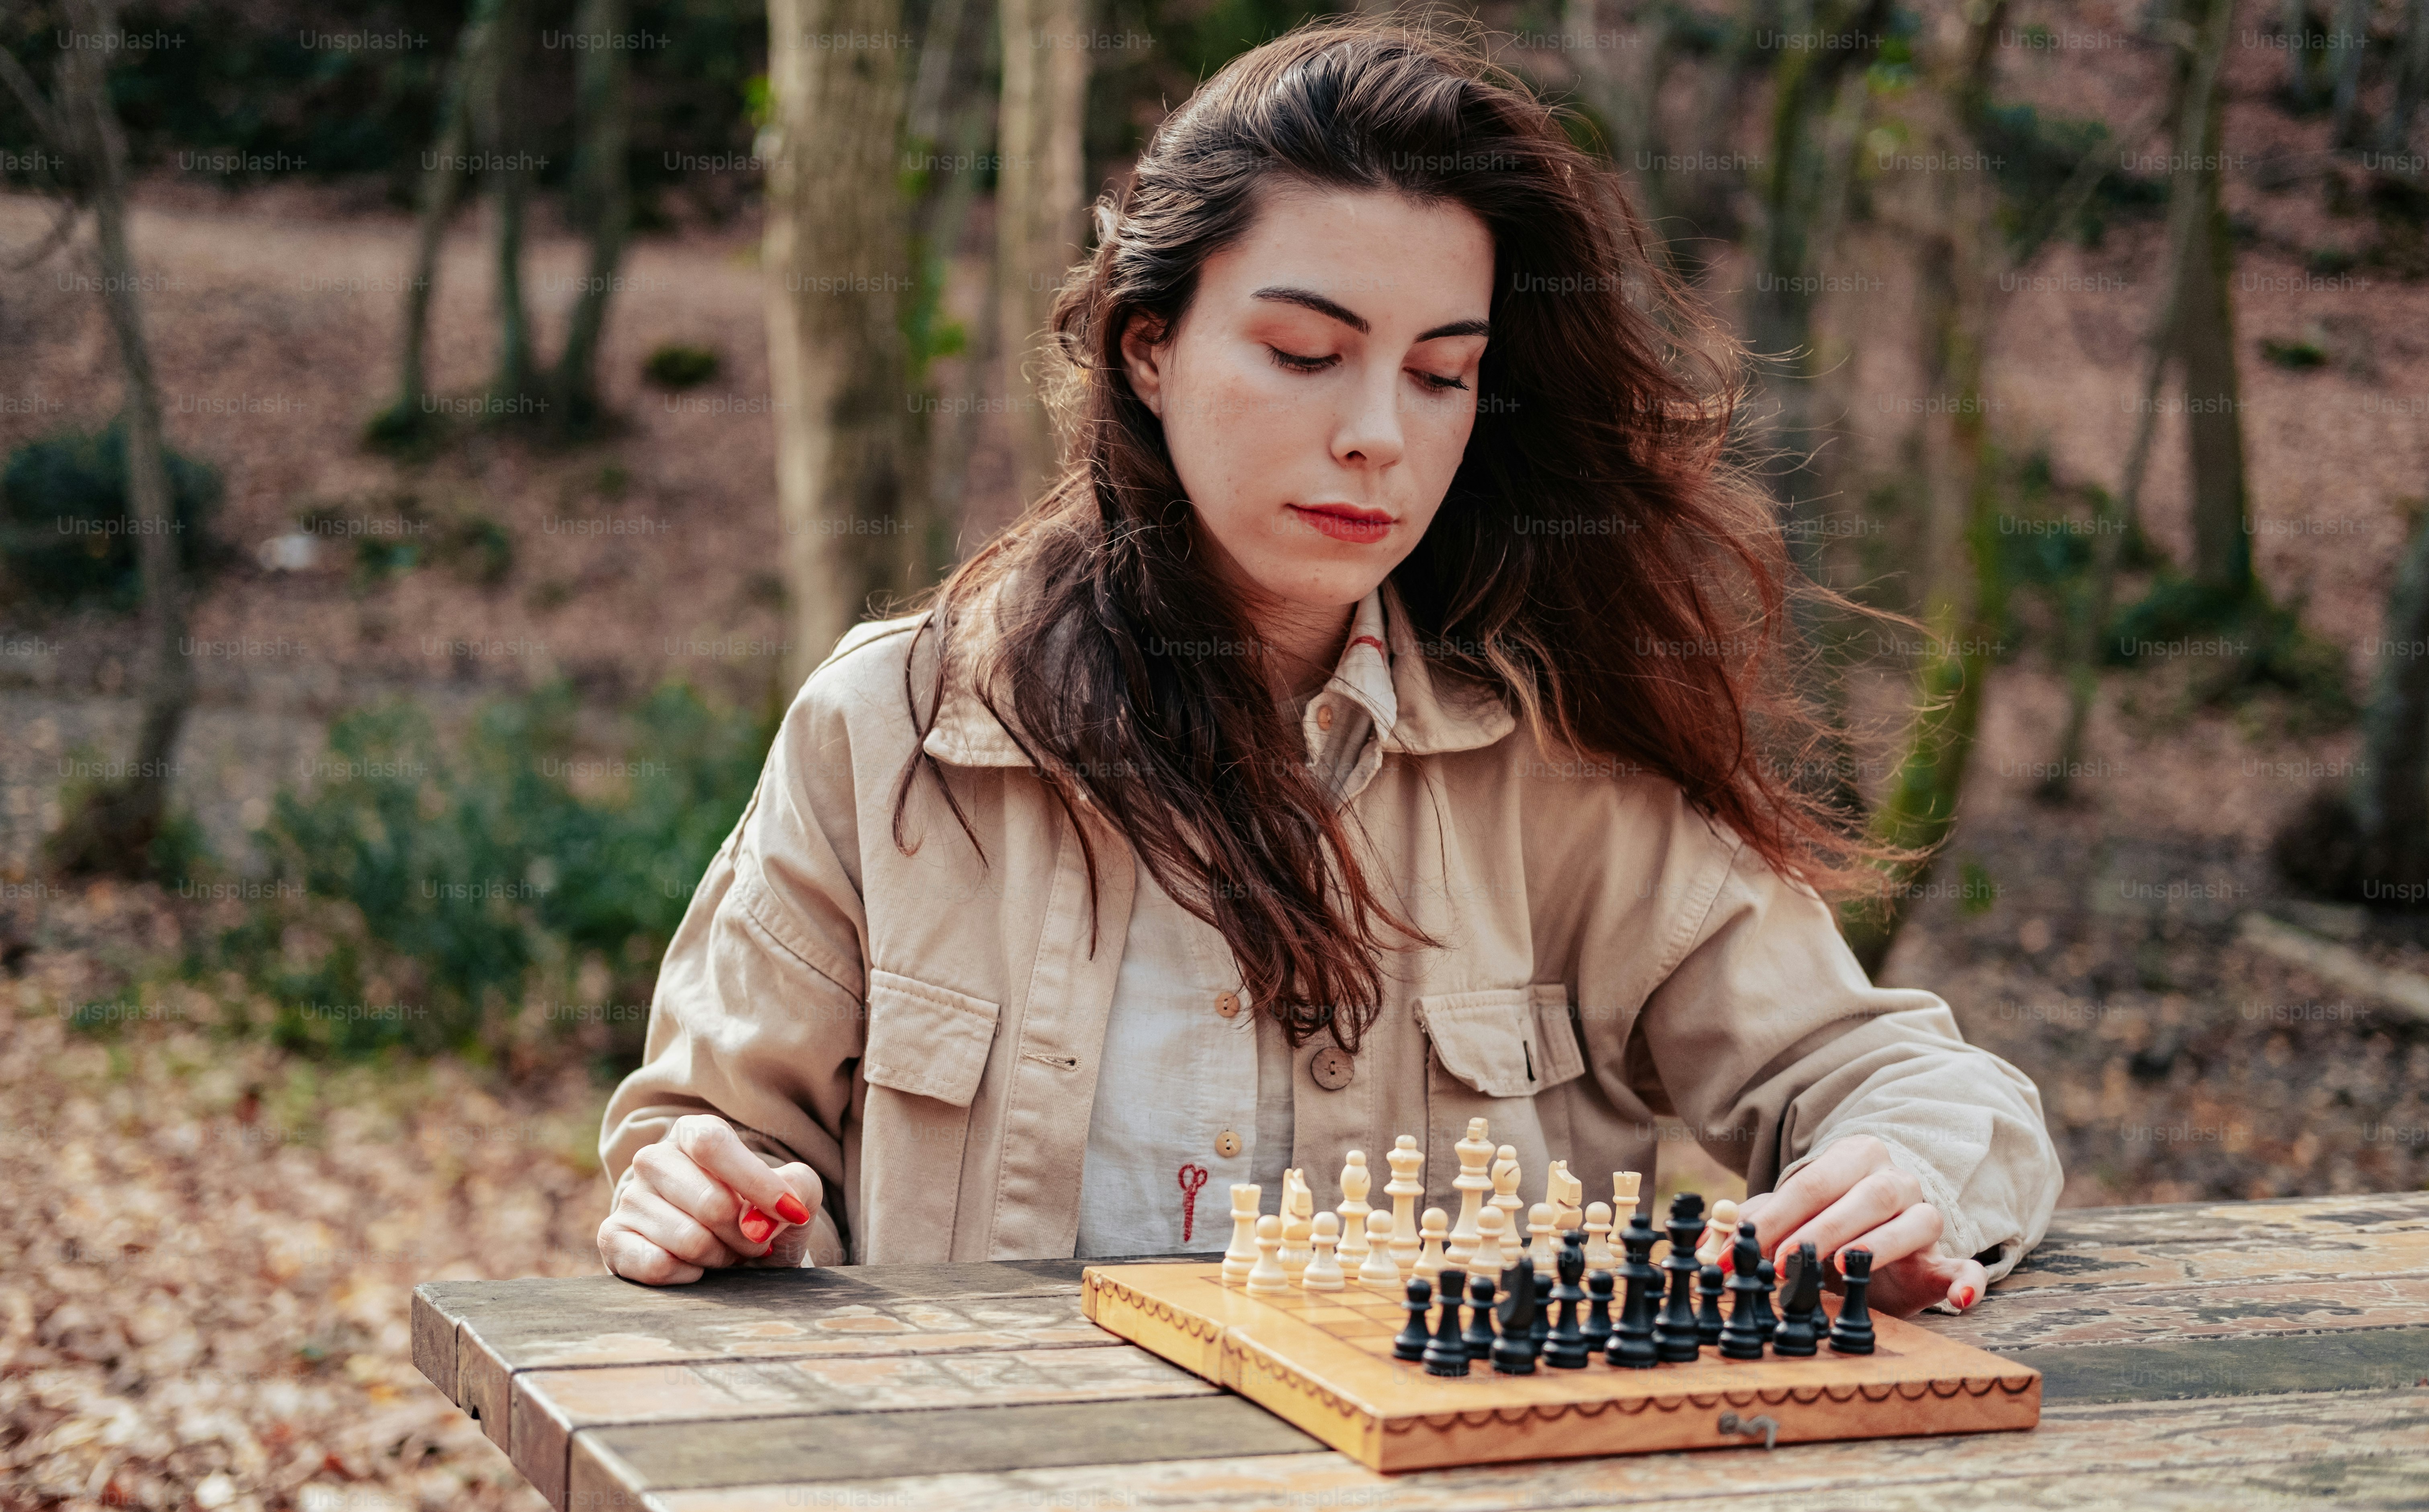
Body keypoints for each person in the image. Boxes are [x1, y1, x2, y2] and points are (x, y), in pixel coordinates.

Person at [594, 16, 2062, 1318]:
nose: (1380, 432)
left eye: (1440, 375)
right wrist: (708, 1195)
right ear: (1150, 350)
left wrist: (1899, 1172)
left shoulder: (1560, 765)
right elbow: (710, 1136)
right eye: (1306, 352)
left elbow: (1903, 1080)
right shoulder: (892, 728)